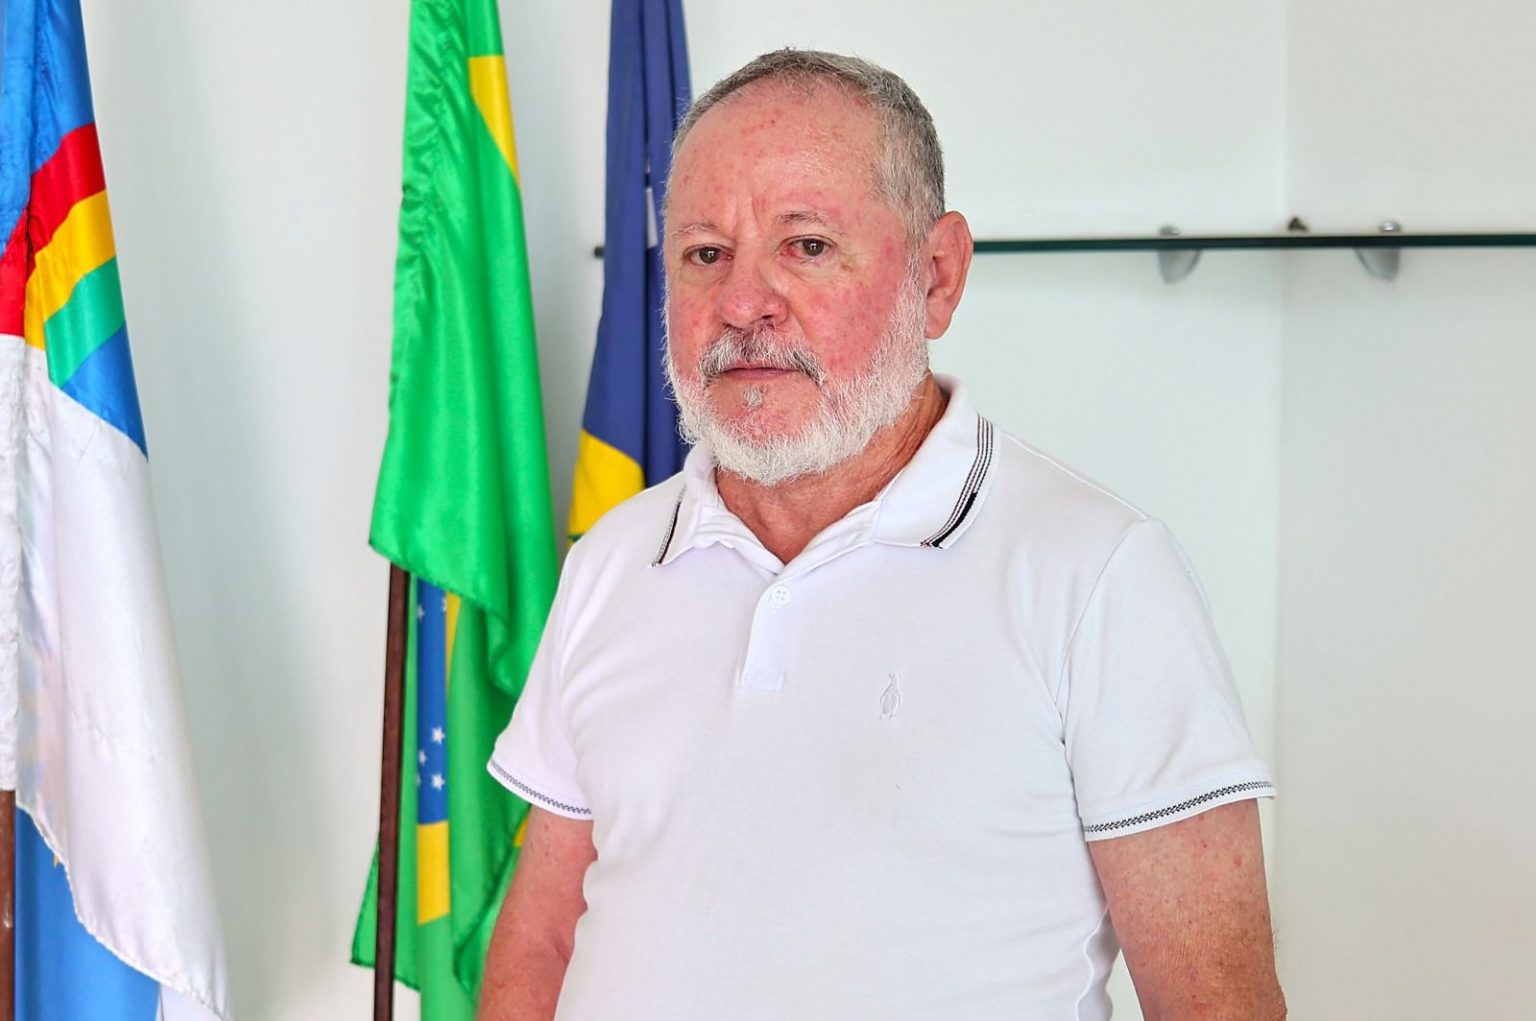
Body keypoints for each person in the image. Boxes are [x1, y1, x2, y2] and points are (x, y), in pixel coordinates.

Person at [479, 49, 1285, 1021]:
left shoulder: (1099, 573)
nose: (742, 302)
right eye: (704, 253)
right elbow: (543, 937)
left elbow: (1217, 1004)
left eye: (807, 245)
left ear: (938, 275)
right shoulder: (612, 558)